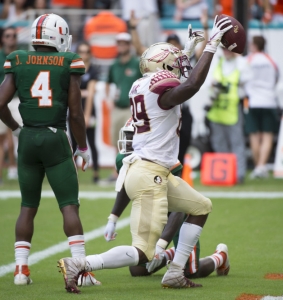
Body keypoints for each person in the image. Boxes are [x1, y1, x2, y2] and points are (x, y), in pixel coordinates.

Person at [57, 16, 233, 293]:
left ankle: (175, 272)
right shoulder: (159, 88)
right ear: (164, 66)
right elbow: (190, 86)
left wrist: (187, 52)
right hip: (149, 174)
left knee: (200, 206)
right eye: (174, 61)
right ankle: (81, 263)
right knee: (143, 253)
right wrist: (210, 46)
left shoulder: (141, 83)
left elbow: (176, 78)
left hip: (150, 170)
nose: (180, 65)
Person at [0, 13, 100, 287]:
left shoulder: (18, 59)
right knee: (69, 205)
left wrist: (16, 128)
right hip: (55, 137)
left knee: (27, 207)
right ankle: (80, 270)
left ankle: (21, 271)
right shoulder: (68, 62)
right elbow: (76, 114)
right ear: (58, 36)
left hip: (29, 138)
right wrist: (82, 146)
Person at [108, 119, 230, 279]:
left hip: (177, 219)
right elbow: (124, 187)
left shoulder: (162, 158)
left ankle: (220, 256)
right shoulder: (123, 158)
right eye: (127, 135)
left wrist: (160, 246)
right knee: (137, 269)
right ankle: (171, 253)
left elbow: (178, 210)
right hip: (152, 214)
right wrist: (113, 218)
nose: (128, 142)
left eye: (132, 136)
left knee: (189, 272)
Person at [129, 10, 209, 165]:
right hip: (163, 111)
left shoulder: (141, 81)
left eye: (175, 44)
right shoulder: (158, 74)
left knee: (177, 151)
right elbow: (187, 83)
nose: (173, 48)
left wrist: (203, 32)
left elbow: (183, 65)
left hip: (174, 111)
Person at [103, 32, 141, 182]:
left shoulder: (136, 64)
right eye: (119, 43)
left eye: (124, 43)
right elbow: (108, 82)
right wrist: (108, 98)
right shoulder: (114, 65)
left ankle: (131, 172)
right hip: (118, 107)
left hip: (132, 108)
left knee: (131, 142)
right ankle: (117, 172)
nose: (121, 46)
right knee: (116, 142)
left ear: (129, 45)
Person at [207, 47, 248, 183]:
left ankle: (239, 175)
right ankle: (222, 174)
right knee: (219, 143)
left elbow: (247, 78)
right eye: (224, 49)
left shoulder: (240, 63)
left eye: (229, 49)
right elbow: (207, 82)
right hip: (217, 109)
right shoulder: (217, 62)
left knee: (236, 143)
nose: (226, 52)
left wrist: (238, 56)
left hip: (232, 109)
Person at [244, 36, 279, 179]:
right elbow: (277, 78)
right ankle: (261, 167)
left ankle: (258, 167)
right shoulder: (271, 60)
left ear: (253, 45)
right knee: (267, 135)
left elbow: (243, 78)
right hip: (269, 100)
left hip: (253, 101)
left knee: (254, 135)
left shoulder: (248, 60)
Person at [70, 41, 100, 183]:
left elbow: (91, 94)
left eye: (86, 51)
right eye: (81, 51)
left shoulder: (93, 70)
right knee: (73, 144)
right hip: (73, 111)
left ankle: (96, 173)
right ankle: (72, 173)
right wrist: (85, 92)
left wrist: (87, 115)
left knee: (92, 143)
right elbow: (72, 92)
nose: (84, 54)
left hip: (89, 112)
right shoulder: (74, 70)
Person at [0, 27, 22, 183]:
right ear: (3, 38)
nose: (11, 38)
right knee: (1, 138)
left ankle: (21, 169)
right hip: (1, 100)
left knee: (23, 136)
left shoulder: (22, 56)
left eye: (14, 35)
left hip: (17, 99)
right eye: (8, 35)